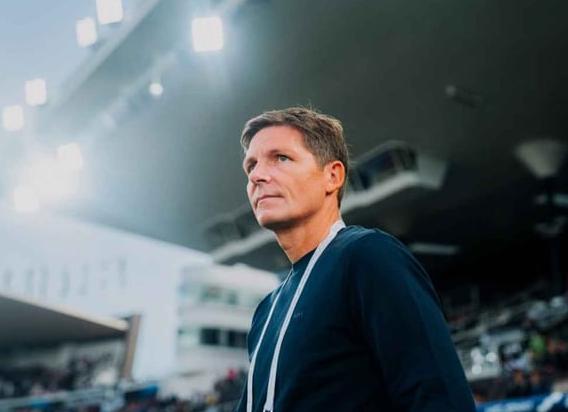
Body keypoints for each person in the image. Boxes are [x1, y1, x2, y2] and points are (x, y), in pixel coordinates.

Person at [234, 107, 476, 411]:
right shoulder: (266, 310)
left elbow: (439, 397)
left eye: (281, 158)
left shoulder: (368, 256)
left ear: (332, 176)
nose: (257, 175)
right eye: (251, 166)